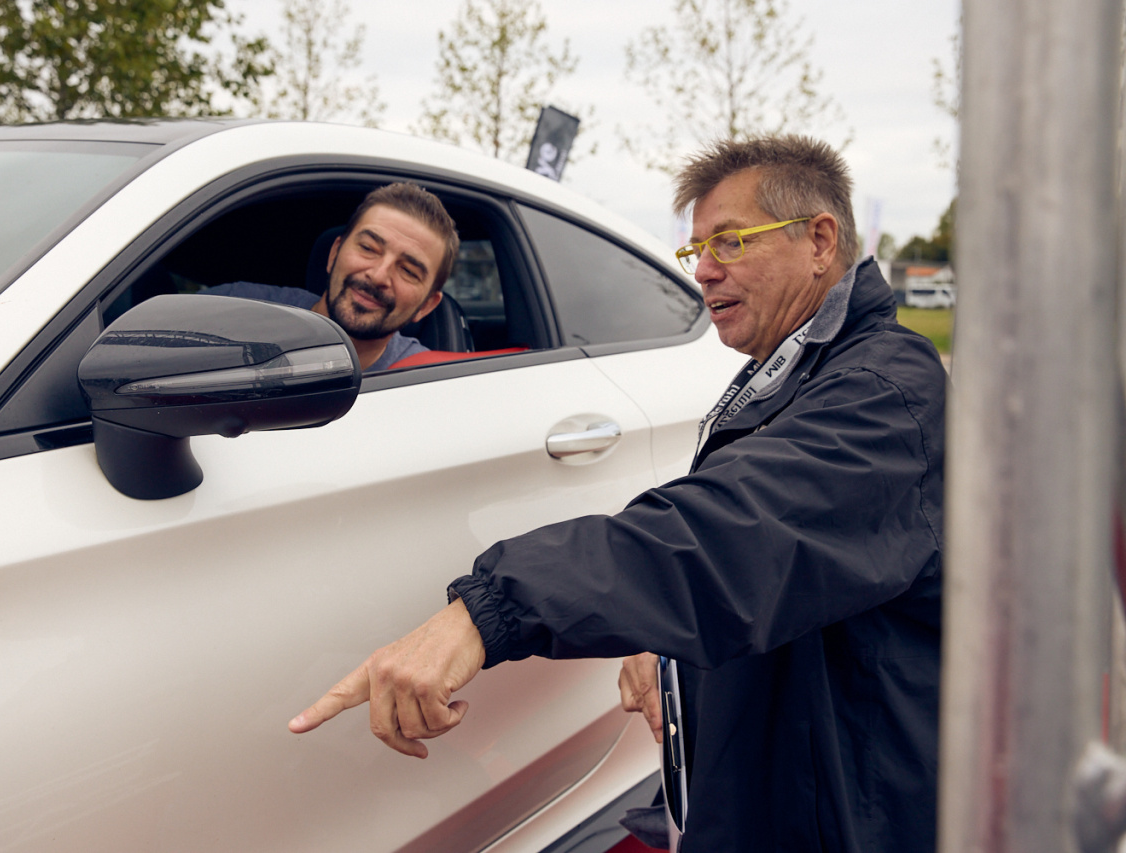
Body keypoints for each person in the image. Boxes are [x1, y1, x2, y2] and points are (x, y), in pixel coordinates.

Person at [288, 136, 945, 853]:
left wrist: (489, 611)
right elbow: (776, 573)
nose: (705, 271)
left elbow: (733, 535)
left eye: (729, 242)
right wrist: (668, 643)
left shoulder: (886, 393)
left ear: (819, 241)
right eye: (697, 250)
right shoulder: (791, 373)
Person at [206, 182, 459, 371]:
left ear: (426, 306)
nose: (378, 275)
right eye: (368, 248)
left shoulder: (424, 385)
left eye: (408, 271)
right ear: (334, 253)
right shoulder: (231, 309)